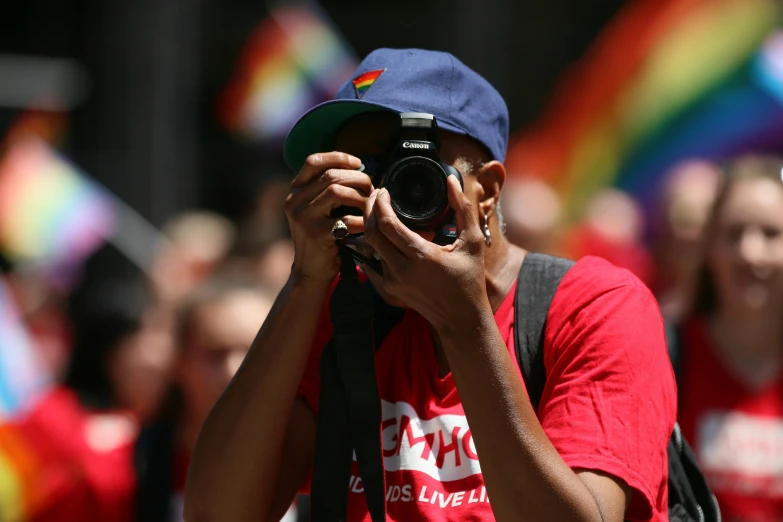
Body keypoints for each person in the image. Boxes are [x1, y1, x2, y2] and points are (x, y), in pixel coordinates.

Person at [185, 48, 676, 522]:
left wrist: (463, 325)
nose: (384, 202)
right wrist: (305, 280)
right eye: (362, 174)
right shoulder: (341, 310)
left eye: (412, 174)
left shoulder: (596, 308)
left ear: (487, 190)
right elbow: (216, 514)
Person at [674, 155, 783, 522]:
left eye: (771, 234)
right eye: (734, 234)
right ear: (708, 248)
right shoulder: (666, 355)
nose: (750, 253)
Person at [134, 273, 290, 522]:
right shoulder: (124, 468)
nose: (233, 370)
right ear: (179, 360)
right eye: (214, 354)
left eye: (256, 352)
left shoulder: (323, 467)